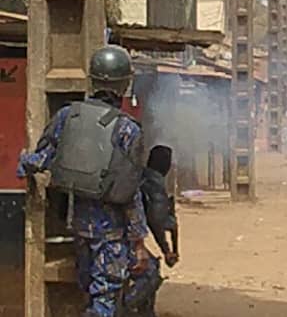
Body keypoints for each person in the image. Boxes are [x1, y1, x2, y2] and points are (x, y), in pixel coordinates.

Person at [18, 45, 150, 317]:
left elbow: (40, 160)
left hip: (78, 226)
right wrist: (138, 242)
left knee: (90, 291)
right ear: (124, 84)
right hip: (112, 234)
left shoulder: (68, 115)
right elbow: (130, 192)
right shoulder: (128, 129)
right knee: (105, 300)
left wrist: (23, 163)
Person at [126, 145, 179, 317]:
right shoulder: (155, 184)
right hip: (121, 239)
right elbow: (158, 222)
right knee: (150, 272)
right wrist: (168, 250)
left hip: (110, 232)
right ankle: (126, 307)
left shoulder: (139, 175)